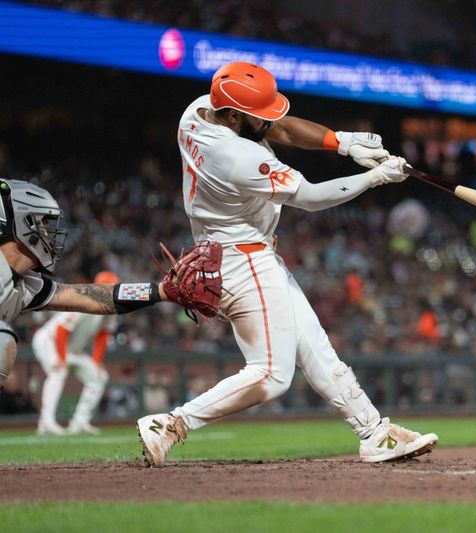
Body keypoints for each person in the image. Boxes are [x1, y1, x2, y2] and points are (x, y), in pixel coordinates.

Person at [136, 62, 438, 467]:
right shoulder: (234, 155)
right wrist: (375, 178)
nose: (269, 121)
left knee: (316, 348)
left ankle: (374, 433)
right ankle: (172, 423)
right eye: (257, 116)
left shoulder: (199, 110)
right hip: (242, 260)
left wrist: (343, 142)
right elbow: (311, 198)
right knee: (271, 375)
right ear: (231, 117)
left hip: (235, 251)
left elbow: (278, 127)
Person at [0, 179, 216, 400]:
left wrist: (159, 291)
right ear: (18, 222)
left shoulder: (24, 285)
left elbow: (92, 297)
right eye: (42, 224)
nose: (48, 234)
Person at [32, 271, 121, 436]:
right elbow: (61, 329)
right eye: (111, 286)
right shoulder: (84, 298)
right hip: (49, 340)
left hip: (72, 349)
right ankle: (46, 423)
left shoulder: (111, 308)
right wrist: (61, 357)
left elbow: (103, 334)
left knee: (99, 377)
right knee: (58, 372)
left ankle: (80, 422)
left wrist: (96, 361)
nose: (113, 290)